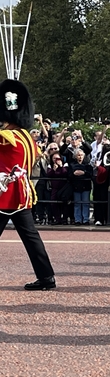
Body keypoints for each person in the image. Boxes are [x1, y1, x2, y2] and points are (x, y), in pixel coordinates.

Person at [0, 79, 56, 290]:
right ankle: (46, 277)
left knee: (31, 238)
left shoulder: (8, 137)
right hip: (21, 194)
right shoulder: (27, 137)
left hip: (5, 194)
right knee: (31, 239)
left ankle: (46, 277)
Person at [68, 148, 92, 225]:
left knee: (86, 203)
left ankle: (86, 219)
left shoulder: (87, 165)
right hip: (76, 186)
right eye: (78, 155)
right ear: (75, 156)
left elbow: (90, 174)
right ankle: (77, 219)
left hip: (86, 186)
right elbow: (69, 175)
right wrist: (75, 174)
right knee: (77, 204)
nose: (80, 157)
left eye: (81, 155)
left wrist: (83, 172)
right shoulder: (72, 165)